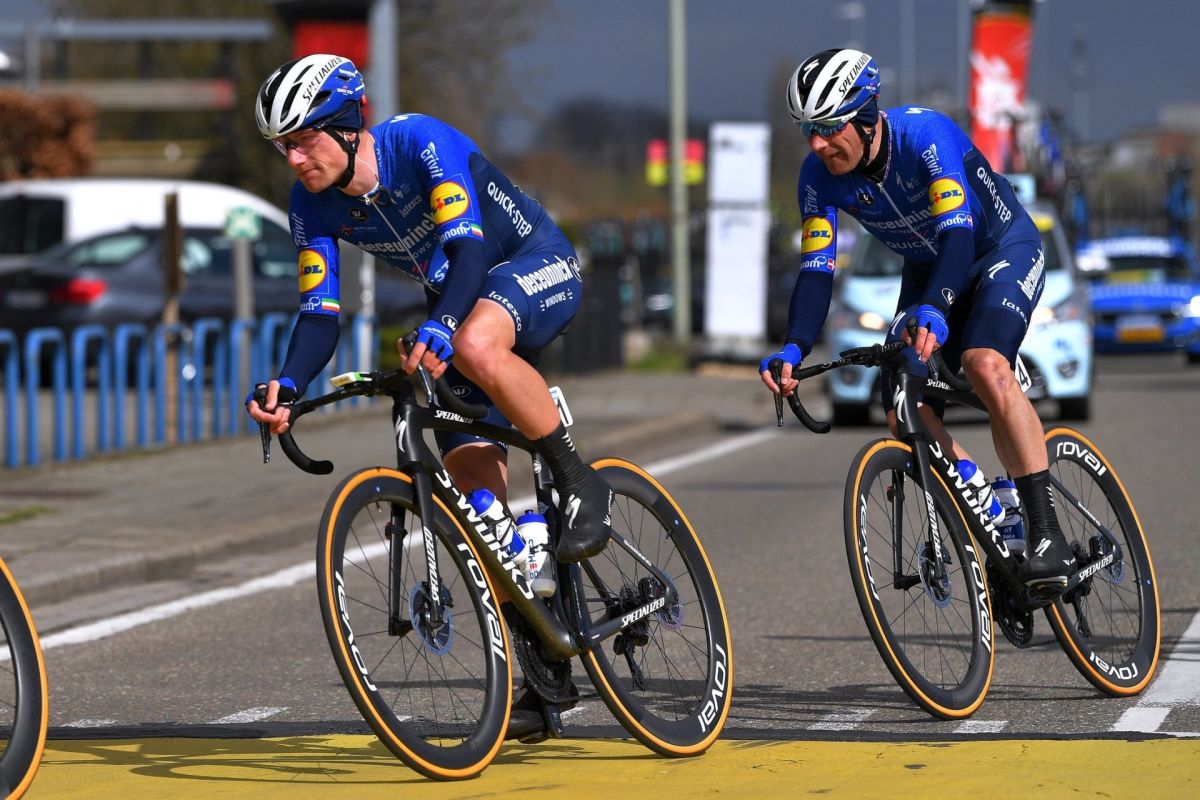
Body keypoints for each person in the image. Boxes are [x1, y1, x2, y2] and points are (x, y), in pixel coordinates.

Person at [246, 53, 610, 736]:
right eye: (282, 146)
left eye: (305, 139)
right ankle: (545, 671)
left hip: (532, 264)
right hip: (460, 302)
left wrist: (441, 325)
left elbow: (468, 253)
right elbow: (320, 312)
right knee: (478, 507)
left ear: (349, 125)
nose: (294, 158)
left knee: (469, 343)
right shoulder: (311, 204)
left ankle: (578, 478)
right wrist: (287, 384)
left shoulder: (419, 142)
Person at [760, 48, 1075, 596]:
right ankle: (991, 505)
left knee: (984, 363)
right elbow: (816, 269)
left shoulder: (925, 136)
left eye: (828, 128)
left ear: (865, 116)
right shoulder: (817, 177)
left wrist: (937, 306)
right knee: (901, 405)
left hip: (998, 249)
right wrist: (794, 347)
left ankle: (1048, 533)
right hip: (929, 266)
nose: (817, 144)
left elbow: (958, 233)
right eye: (808, 130)